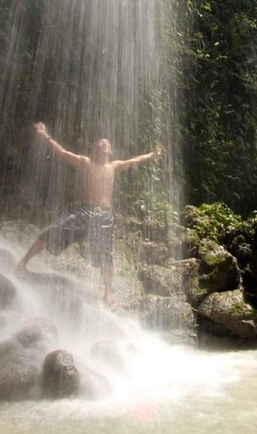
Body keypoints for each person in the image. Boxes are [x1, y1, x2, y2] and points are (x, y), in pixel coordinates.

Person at [16, 122, 164, 307]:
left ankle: (108, 292)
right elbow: (63, 153)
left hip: (104, 215)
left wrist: (153, 154)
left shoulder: (114, 166)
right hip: (85, 211)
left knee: (105, 254)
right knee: (54, 230)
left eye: (107, 144)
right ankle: (22, 263)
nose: (104, 145)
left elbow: (135, 161)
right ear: (94, 148)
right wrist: (45, 135)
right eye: (101, 143)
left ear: (110, 150)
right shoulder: (86, 162)